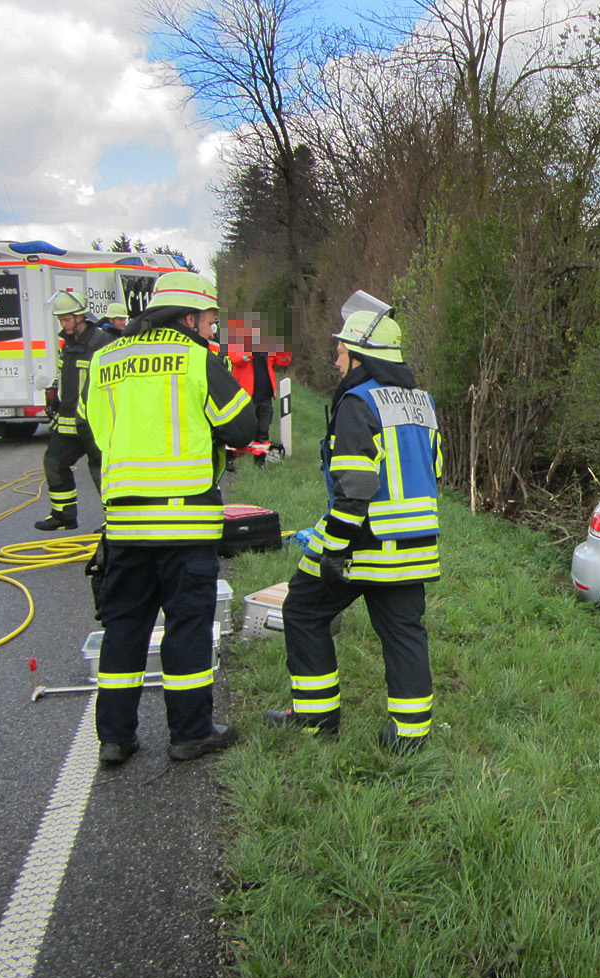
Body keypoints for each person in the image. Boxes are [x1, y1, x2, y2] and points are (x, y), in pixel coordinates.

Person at [81, 271, 257, 765]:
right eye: (207, 319)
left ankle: (114, 738)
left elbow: (94, 428)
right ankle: (190, 733)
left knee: (124, 629)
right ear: (186, 317)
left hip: (125, 525)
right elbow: (241, 427)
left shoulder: (105, 358)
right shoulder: (196, 359)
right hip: (185, 525)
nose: (211, 328)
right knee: (186, 628)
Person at [266, 304, 442, 753]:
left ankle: (316, 718)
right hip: (417, 545)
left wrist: (335, 551)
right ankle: (409, 736)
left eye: (343, 348)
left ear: (363, 354)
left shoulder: (357, 403)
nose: (338, 356)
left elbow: (354, 490)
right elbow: (435, 468)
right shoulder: (423, 402)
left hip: (364, 542)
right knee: (404, 631)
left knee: (303, 611)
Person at [34, 289, 114, 531]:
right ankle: (63, 515)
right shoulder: (69, 343)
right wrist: (55, 399)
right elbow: (66, 375)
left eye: (66, 319)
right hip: (68, 420)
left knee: (101, 470)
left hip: (94, 422)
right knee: (53, 461)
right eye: (60, 320)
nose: (63, 324)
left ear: (81, 317)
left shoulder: (102, 342)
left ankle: (115, 521)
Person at [224, 314, 291, 449]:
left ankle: (260, 458)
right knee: (240, 428)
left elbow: (284, 361)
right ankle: (231, 457)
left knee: (263, 430)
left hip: (265, 395)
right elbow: (237, 359)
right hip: (245, 395)